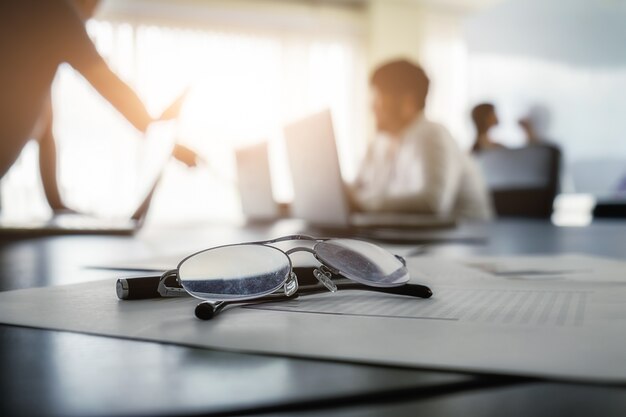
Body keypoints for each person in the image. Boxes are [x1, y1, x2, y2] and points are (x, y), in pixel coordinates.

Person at [0, 0, 197, 213]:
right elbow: (109, 85)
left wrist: (57, 204)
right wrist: (155, 126)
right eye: (94, 5)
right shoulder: (55, 11)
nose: (91, 15)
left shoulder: (32, 36)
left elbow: (46, 125)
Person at [350, 59, 493, 221]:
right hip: (410, 237)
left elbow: (431, 202)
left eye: (378, 96)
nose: (372, 106)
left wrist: (363, 202)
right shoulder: (380, 142)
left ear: (407, 102)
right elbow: (357, 190)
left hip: (465, 239)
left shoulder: (432, 135)